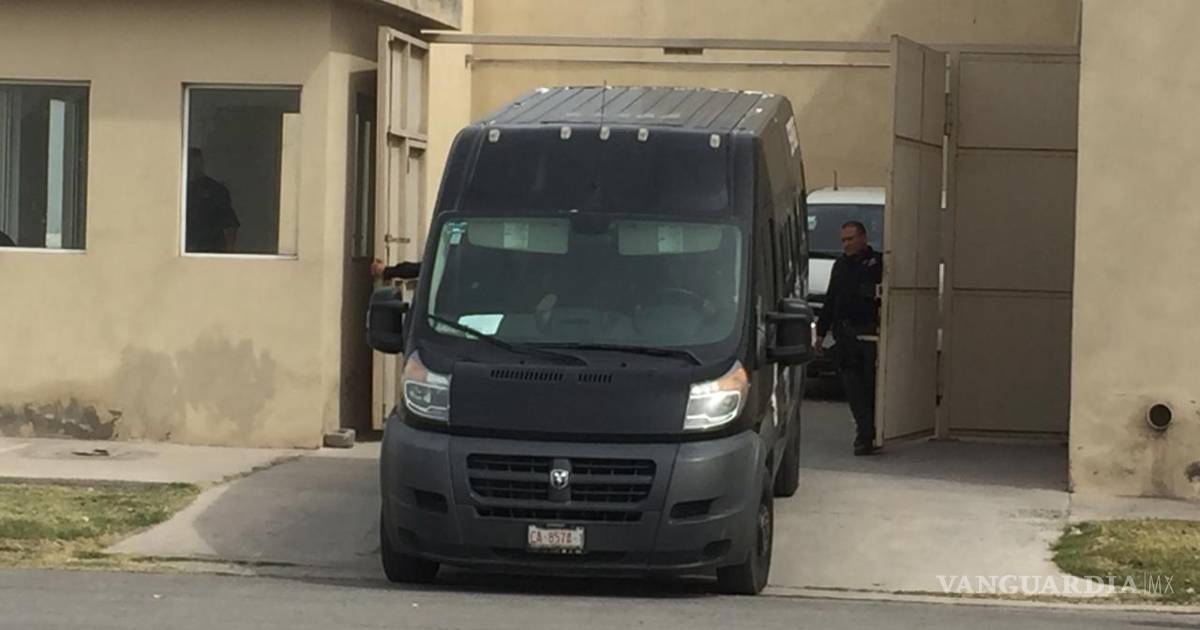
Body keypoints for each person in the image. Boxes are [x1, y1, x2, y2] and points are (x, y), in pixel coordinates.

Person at [815, 220, 884, 456]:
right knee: (853, 388)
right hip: (846, 336)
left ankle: (872, 431)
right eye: (843, 240)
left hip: (870, 335)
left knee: (871, 387)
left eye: (850, 239)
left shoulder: (877, 264)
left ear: (863, 238)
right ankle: (864, 435)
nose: (846, 244)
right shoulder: (840, 265)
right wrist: (820, 333)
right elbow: (830, 299)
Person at [185, 148, 240, 253]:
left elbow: (230, 226)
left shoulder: (216, 190)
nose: (193, 167)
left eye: (196, 162)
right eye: (191, 163)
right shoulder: (179, 191)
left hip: (212, 250)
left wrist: (228, 255)